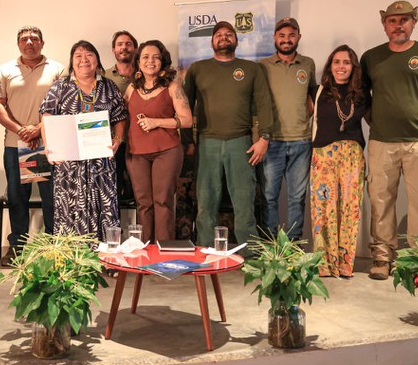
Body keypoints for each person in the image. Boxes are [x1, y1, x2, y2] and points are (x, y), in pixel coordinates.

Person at [361, 0, 418, 280]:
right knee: (380, 202)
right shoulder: (371, 57)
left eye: (403, 20)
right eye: (392, 20)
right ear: (384, 24)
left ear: (414, 22)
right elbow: (361, 96)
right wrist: (374, 120)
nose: (398, 25)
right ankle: (381, 258)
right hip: (381, 143)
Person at [184, 21, 273, 247]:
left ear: (236, 39)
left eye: (229, 34)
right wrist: (187, 141)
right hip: (207, 143)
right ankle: (204, 252)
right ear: (211, 41)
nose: (224, 38)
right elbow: (185, 106)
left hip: (241, 143)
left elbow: (264, 104)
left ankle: (250, 256)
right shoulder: (197, 69)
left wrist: (264, 137)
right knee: (206, 202)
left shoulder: (252, 69)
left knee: (245, 203)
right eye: (219, 35)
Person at [40, 40, 128, 241]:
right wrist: (50, 147)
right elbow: (46, 116)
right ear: (72, 62)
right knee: (70, 210)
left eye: (89, 54)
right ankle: (72, 264)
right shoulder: (60, 86)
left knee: (105, 208)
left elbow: (120, 117)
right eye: (78, 55)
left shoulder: (108, 86)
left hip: (101, 165)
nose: (84, 59)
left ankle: (107, 260)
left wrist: (118, 139)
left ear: (97, 60)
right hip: (70, 165)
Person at [0, 26, 64, 265]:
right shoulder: (5, 70)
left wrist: (38, 129)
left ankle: (54, 246)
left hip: (49, 143)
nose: (29, 42)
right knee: (16, 196)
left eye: (34, 39)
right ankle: (17, 247)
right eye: (24, 39)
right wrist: (20, 129)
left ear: (42, 43)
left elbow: (62, 106)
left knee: (51, 197)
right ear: (18, 44)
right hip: (15, 143)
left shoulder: (58, 69)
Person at [309, 45, 369, 277]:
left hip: (352, 157)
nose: (341, 66)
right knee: (323, 209)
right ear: (330, 65)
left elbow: (375, 120)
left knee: (350, 209)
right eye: (336, 61)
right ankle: (325, 263)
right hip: (323, 156)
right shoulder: (318, 91)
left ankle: (344, 264)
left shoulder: (363, 94)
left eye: (346, 62)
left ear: (353, 67)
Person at [124, 40, 192, 243]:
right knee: (143, 203)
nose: (150, 61)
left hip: (167, 151)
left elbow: (187, 120)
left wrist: (156, 122)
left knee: (162, 201)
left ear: (163, 61)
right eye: (145, 57)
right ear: (138, 62)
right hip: (136, 153)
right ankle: (145, 248)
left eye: (156, 57)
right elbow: (120, 117)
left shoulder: (173, 87)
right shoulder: (131, 89)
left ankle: (164, 251)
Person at [259, 18, 316, 240]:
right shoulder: (263, 66)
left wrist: (302, 116)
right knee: (269, 196)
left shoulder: (308, 64)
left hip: (301, 140)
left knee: (297, 197)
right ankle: (271, 245)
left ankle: (292, 245)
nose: (286, 39)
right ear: (275, 38)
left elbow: (314, 97)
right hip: (272, 141)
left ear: (298, 37)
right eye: (281, 35)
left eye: (291, 35)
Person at [105, 30, 138, 203]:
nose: (124, 47)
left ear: (135, 48)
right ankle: (115, 230)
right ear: (113, 50)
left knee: (140, 192)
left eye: (128, 44)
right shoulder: (104, 77)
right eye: (120, 44)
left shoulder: (145, 74)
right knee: (113, 190)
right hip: (114, 142)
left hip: (140, 141)